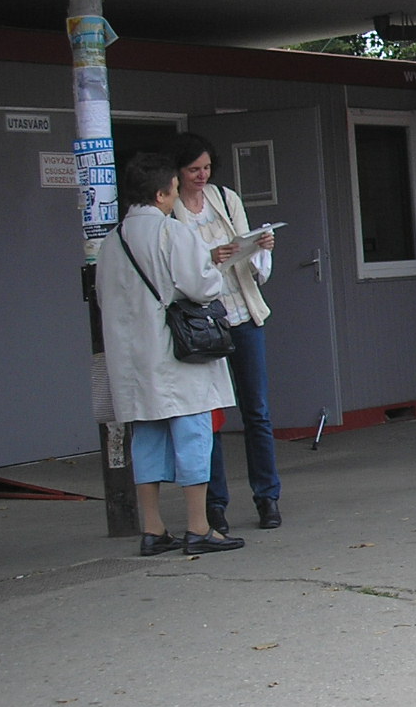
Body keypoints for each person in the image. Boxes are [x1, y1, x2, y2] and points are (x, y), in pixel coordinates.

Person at [97, 152, 245, 555]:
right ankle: (198, 527)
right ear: (163, 193)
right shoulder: (172, 233)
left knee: (146, 438)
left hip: (132, 361)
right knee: (193, 435)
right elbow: (203, 286)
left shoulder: (111, 241)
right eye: (175, 190)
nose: (176, 196)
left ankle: (153, 528)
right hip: (177, 356)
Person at [169, 133, 283, 533]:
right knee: (210, 416)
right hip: (204, 322)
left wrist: (258, 245)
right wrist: (209, 259)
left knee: (257, 410)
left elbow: (250, 256)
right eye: (192, 170)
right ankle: (214, 504)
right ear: (177, 172)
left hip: (243, 312)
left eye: (206, 168)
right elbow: (176, 272)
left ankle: (267, 497)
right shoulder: (172, 210)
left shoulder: (226, 198)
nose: (201, 176)